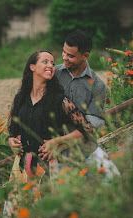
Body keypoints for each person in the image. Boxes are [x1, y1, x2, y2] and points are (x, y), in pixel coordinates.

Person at [38, 31, 120, 179]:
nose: (64, 57)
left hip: (84, 149)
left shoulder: (97, 86)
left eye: (70, 55)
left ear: (85, 56)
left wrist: (58, 143)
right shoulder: (53, 74)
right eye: (64, 52)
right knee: (61, 197)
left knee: (113, 179)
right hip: (49, 152)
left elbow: (89, 128)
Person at [8, 50, 95, 182]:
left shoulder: (59, 100)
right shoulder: (20, 98)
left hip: (50, 167)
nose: (50, 66)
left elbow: (87, 128)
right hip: (22, 168)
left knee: (46, 202)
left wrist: (57, 141)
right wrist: (11, 140)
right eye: (45, 62)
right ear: (32, 67)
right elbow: (14, 130)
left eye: (53, 63)